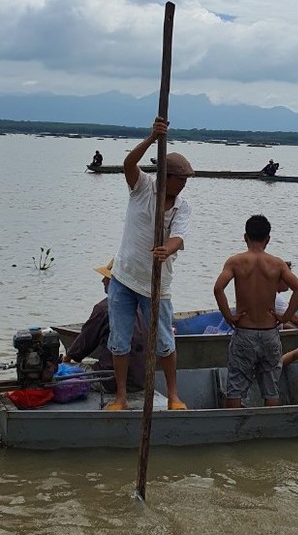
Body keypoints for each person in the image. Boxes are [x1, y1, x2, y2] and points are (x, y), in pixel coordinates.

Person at [106, 117, 193, 411]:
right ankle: (120, 397)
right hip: (124, 278)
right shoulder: (142, 187)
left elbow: (178, 238)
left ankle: (173, 396)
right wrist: (151, 138)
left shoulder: (183, 206)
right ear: (166, 176)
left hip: (157, 285)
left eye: (185, 181)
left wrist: (165, 250)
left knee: (165, 342)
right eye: (180, 179)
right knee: (120, 340)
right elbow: (128, 165)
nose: (183, 185)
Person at [213, 215, 298, 408]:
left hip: (244, 332)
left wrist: (229, 317)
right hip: (269, 333)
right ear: (268, 239)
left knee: (235, 388)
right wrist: (285, 317)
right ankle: (270, 431)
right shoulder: (277, 264)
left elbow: (218, 288)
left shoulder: (235, 262)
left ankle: (233, 431)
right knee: (271, 389)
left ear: (245, 237)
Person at [65, 259, 146, 393]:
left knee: (65, 372)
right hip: (140, 382)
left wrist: (67, 359)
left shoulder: (104, 308)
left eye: (106, 278)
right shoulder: (144, 306)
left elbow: (85, 342)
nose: (102, 281)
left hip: (110, 382)